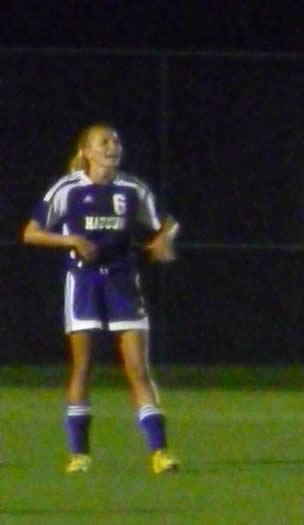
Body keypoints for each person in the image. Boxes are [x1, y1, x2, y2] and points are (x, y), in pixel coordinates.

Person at [22, 123, 181, 474]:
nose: (113, 147)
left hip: (122, 281)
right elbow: (31, 233)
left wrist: (163, 239)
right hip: (83, 282)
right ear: (87, 151)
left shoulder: (132, 188)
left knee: (138, 368)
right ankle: (79, 454)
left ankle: (160, 452)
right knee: (83, 365)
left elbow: (168, 222)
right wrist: (71, 240)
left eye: (116, 141)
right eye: (104, 142)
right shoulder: (68, 188)